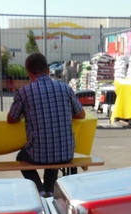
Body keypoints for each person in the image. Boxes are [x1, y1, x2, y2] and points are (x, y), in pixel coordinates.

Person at [7, 52, 85, 197]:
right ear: (48, 70)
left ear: (29, 72)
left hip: (39, 154)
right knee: (54, 152)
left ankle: (39, 189)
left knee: (22, 157)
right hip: (66, 152)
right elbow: (81, 114)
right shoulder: (65, 88)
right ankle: (49, 190)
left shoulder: (24, 92)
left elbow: (11, 119)